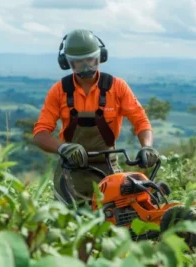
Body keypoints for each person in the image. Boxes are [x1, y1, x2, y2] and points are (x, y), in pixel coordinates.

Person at [32, 29, 159, 206]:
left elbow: (141, 120)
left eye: (90, 60)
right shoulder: (59, 91)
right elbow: (40, 134)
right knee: (67, 223)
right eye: (79, 62)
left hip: (107, 167)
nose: (86, 66)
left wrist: (147, 147)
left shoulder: (117, 87)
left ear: (100, 57)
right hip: (70, 170)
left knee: (119, 216)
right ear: (67, 62)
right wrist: (63, 148)